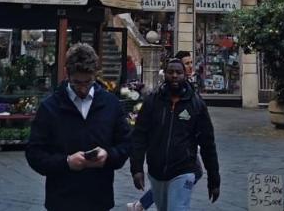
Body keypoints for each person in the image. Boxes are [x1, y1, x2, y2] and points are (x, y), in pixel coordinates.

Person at [26, 43, 132, 211]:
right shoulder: (49, 107)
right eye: (77, 82)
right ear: (67, 74)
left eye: (88, 82)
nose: (82, 88)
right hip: (61, 200)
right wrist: (66, 162)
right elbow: (34, 153)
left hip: (99, 199)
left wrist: (108, 156)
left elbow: (126, 144)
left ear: (95, 74)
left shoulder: (111, 104)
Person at [130, 57, 220, 209]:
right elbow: (139, 135)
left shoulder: (196, 104)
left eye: (178, 72)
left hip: (183, 170)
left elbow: (207, 144)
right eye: (170, 72)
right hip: (156, 171)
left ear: (185, 75)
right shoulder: (153, 101)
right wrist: (136, 168)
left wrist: (214, 180)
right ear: (164, 74)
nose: (174, 76)